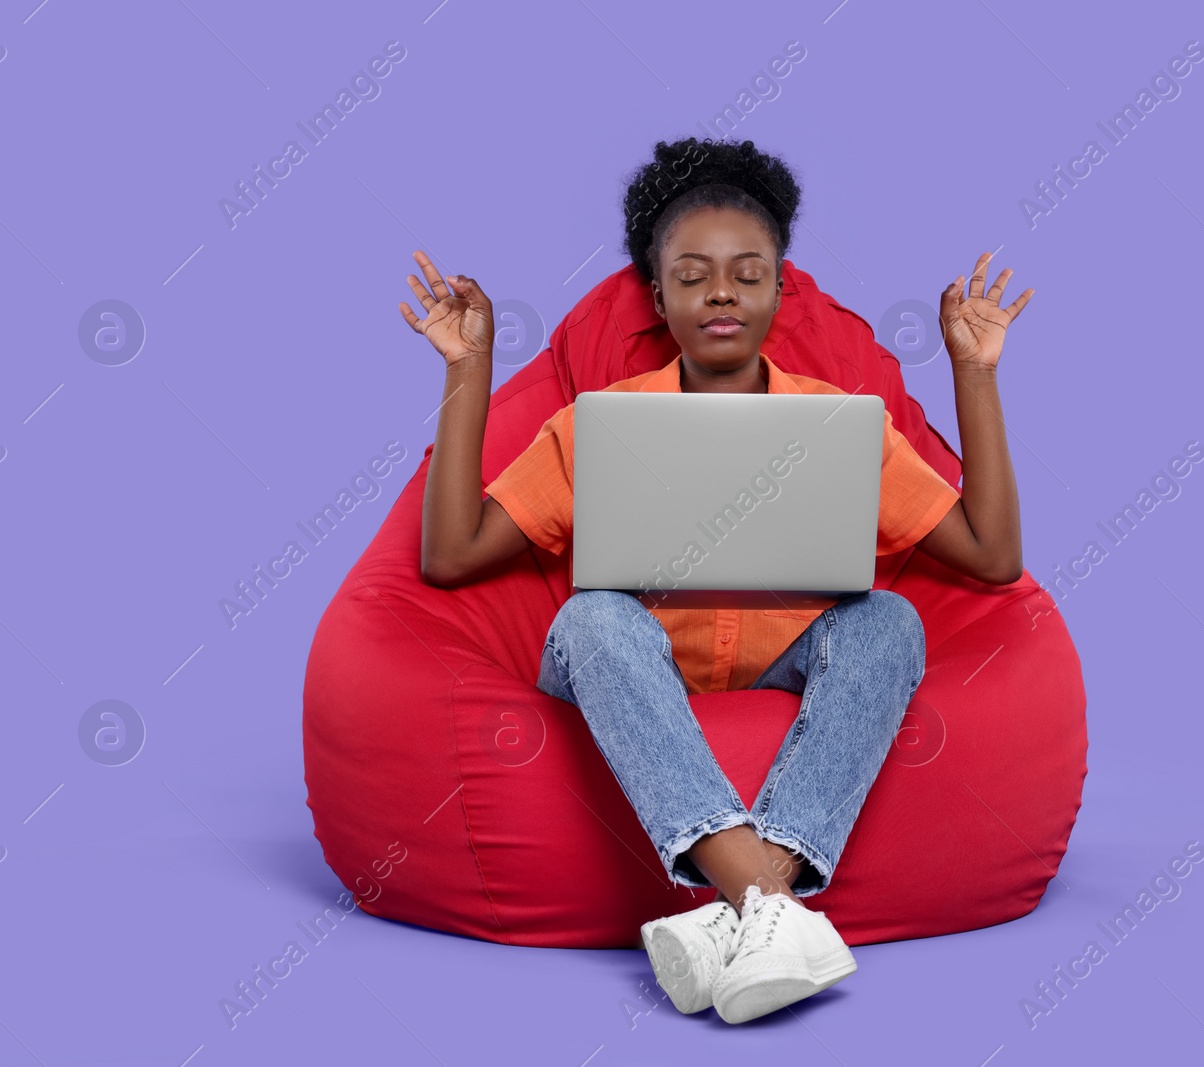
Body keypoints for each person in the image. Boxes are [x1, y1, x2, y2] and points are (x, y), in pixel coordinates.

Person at [401, 137, 1032, 1024]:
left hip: (778, 661)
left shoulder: (840, 424)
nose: (723, 291)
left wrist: (975, 374)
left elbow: (992, 554)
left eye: (748, 271)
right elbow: (452, 555)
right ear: (660, 298)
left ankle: (731, 921)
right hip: (628, 668)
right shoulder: (600, 425)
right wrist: (467, 367)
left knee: (887, 620)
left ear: (781, 287)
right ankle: (772, 907)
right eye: (693, 275)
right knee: (592, 618)